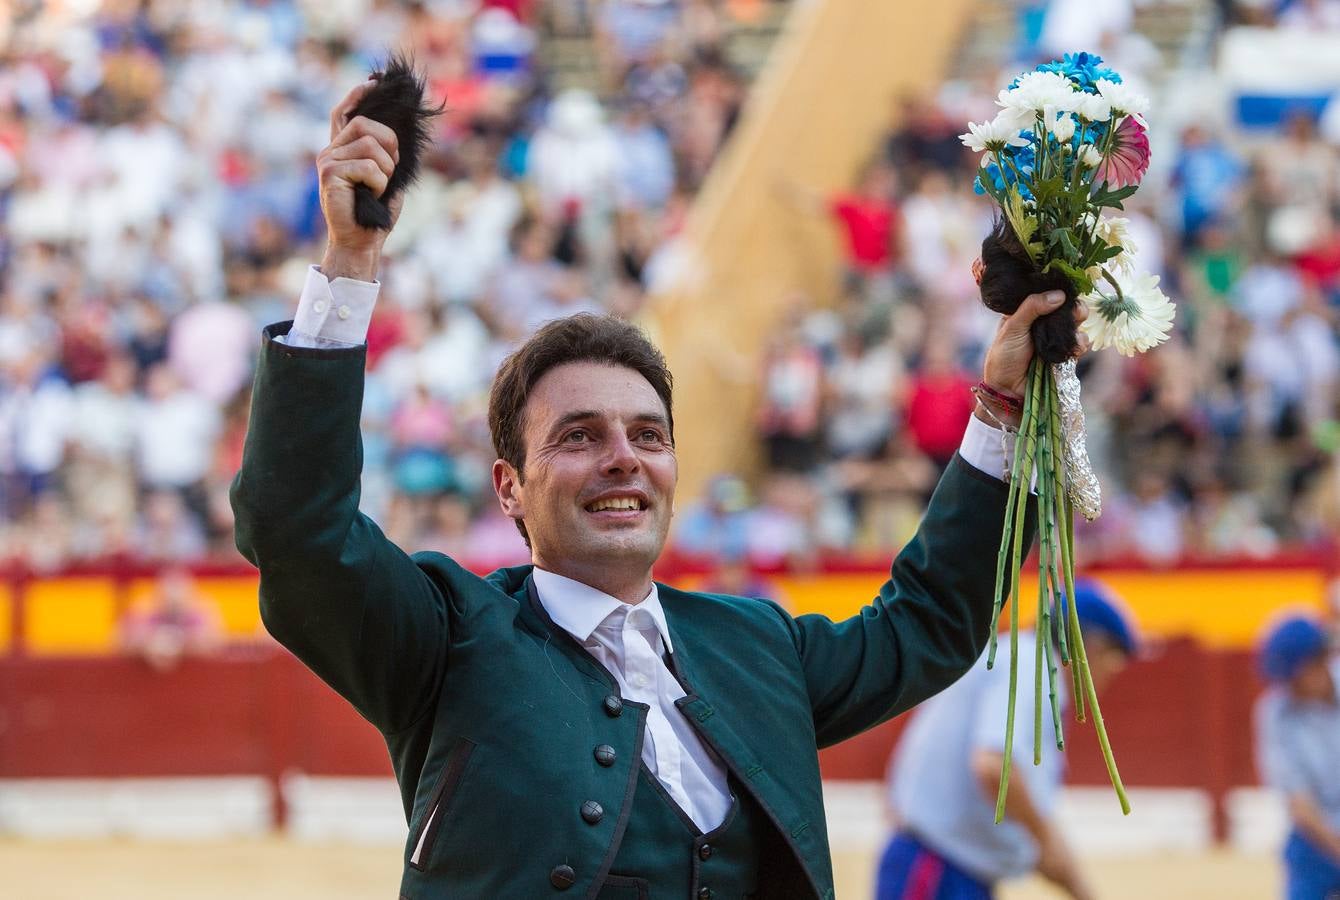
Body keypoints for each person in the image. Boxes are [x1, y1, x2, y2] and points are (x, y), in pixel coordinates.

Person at [230, 80, 1085, 898]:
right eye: (578, 437)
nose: (623, 458)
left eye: (648, 436)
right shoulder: (446, 639)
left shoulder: (755, 645)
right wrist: (348, 264)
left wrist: (1004, 408)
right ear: (509, 488)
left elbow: (929, 623)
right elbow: (299, 534)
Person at [879, 580, 1137, 900]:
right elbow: (993, 766)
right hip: (937, 869)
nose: (1108, 678)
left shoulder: (1024, 661)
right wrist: (1044, 838)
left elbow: (1014, 801)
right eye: (1113, 662)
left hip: (951, 868)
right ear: (1092, 648)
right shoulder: (1033, 664)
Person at [1254, 615, 1340, 900]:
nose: (1288, 686)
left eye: (1294, 675)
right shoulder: (1274, 711)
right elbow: (1297, 801)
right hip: (1316, 839)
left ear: (1320, 661)